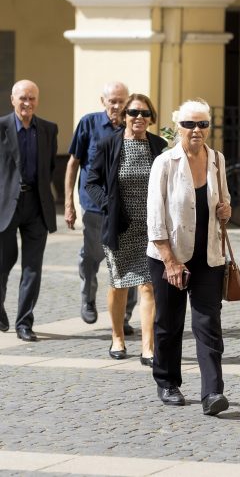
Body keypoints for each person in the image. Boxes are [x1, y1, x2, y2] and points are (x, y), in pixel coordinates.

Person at [147, 99, 231, 416]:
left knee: (208, 323)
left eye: (202, 124)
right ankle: (167, 381)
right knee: (168, 323)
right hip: (169, 255)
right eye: (189, 124)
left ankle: (212, 392)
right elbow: (155, 218)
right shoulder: (165, 163)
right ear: (178, 126)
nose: (196, 130)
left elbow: (224, 203)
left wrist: (227, 211)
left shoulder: (217, 160)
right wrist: (169, 261)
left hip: (208, 256)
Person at [86, 94, 165, 365]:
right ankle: (117, 337)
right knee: (119, 284)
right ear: (125, 116)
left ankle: (147, 347)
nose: (138, 118)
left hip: (151, 226)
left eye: (144, 113)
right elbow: (92, 182)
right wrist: (108, 206)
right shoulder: (110, 144)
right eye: (133, 113)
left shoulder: (159, 145)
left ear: (151, 117)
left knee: (149, 286)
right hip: (120, 225)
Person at [64, 81, 137, 335]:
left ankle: (125, 316)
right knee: (93, 256)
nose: (117, 106)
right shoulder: (88, 123)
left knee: (128, 261)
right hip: (94, 205)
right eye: (112, 101)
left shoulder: (133, 124)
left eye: (121, 101)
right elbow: (73, 163)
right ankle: (88, 297)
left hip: (127, 207)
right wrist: (68, 203)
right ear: (103, 101)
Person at [0, 80, 58, 341]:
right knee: (3, 263)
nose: (27, 103)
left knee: (32, 267)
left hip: (37, 205)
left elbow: (49, 167)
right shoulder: (1, 128)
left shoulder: (48, 129)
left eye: (32, 98)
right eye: (23, 98)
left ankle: (25, 323)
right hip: (5, 205)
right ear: (13, 99)